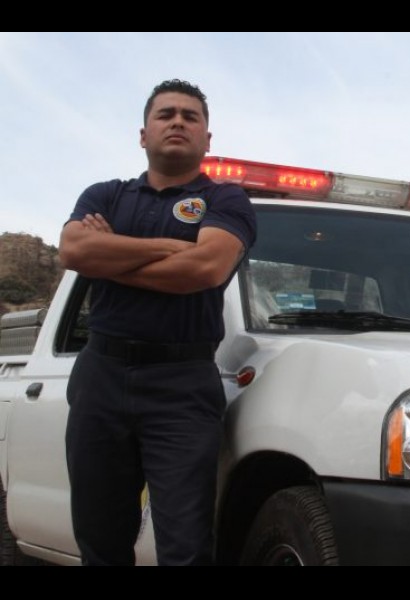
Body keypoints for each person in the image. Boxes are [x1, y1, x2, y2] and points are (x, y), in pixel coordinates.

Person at [58, 79, 257, 565]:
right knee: (100, 538)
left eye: (191, 116)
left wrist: (110, 256)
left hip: (182, 383)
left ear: (207, 139)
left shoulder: (227, 200)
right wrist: (171, 247)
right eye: (166, 114)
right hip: (100, 375)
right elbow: (74, 250)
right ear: (143, 134)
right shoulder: (105, 195)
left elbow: (204, 269)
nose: (178, 122)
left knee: (186, 545)